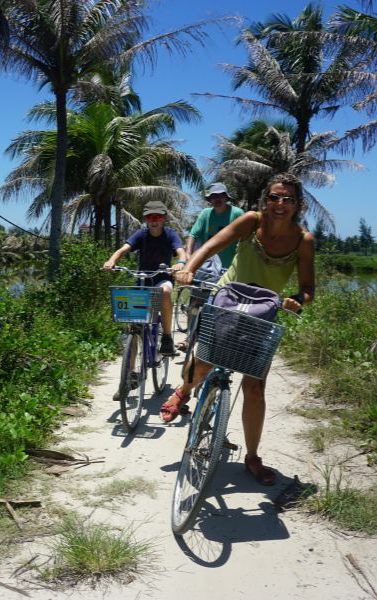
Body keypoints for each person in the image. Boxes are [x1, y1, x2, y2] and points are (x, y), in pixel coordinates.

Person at [165, 172, 316, 486]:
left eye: (288, 199)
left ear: (298, 205)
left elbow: (307, 287)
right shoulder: (250, 221)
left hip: (263, 313)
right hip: (227, 300)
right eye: (275, 197)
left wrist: (296, 300)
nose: (280, 204)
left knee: (255, 387)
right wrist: (188, 268)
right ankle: (185, 391)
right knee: (203, 362)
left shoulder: (303, 240)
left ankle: (252, 457)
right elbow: (210, 246)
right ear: (265, 200)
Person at [101, 200, 187, 356]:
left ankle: (167, 337)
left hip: (162, 278)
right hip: (142, 280)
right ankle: (131, 374)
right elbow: (122, 250)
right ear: (145, 219)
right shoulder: (141, 234)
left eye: (158, 217)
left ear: (164, 218)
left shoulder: (170, 234)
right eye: (150, 217)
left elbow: (181, 251)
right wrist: (112, 261)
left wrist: (180, 263)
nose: (154, 220)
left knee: (165, 292)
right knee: (134, 328)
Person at [189, 183, 246, 271]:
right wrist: (187, 256)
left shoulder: (237, 213)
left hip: (232, 268)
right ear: (210, 200)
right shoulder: (205, 213)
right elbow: (193, 236)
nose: (217, 199)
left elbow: (247, 238)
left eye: (221, 195)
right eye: (214, 196)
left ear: (226, 198)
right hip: (208, 269)